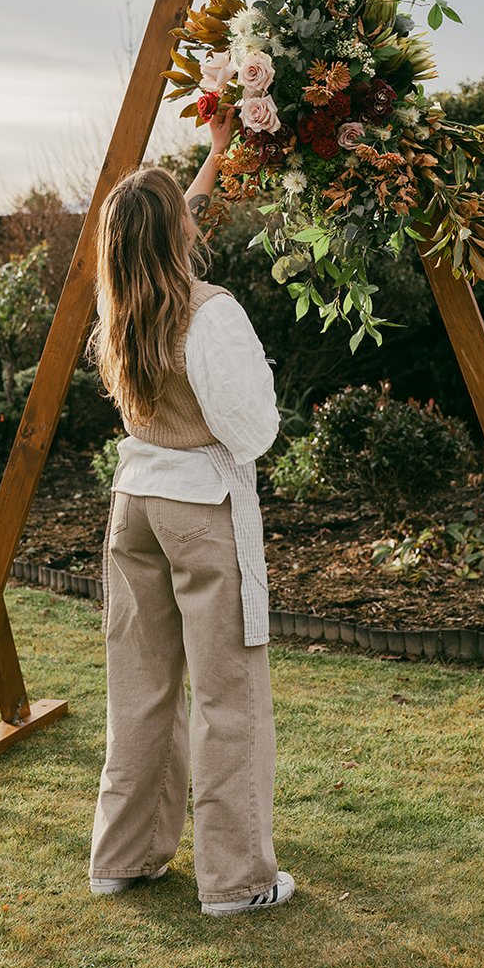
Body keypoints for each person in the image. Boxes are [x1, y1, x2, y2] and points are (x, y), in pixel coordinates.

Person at [86, 115, 294, 915]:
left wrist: (212, 154)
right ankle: (237, 882)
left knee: (140, 687)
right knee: (227, 695)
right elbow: (255, 430)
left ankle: (123, 858)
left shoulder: (120, 306)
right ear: (176, 233)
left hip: (133, 504)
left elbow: (164, 215)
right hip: (201, 509)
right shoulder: (211, 312)